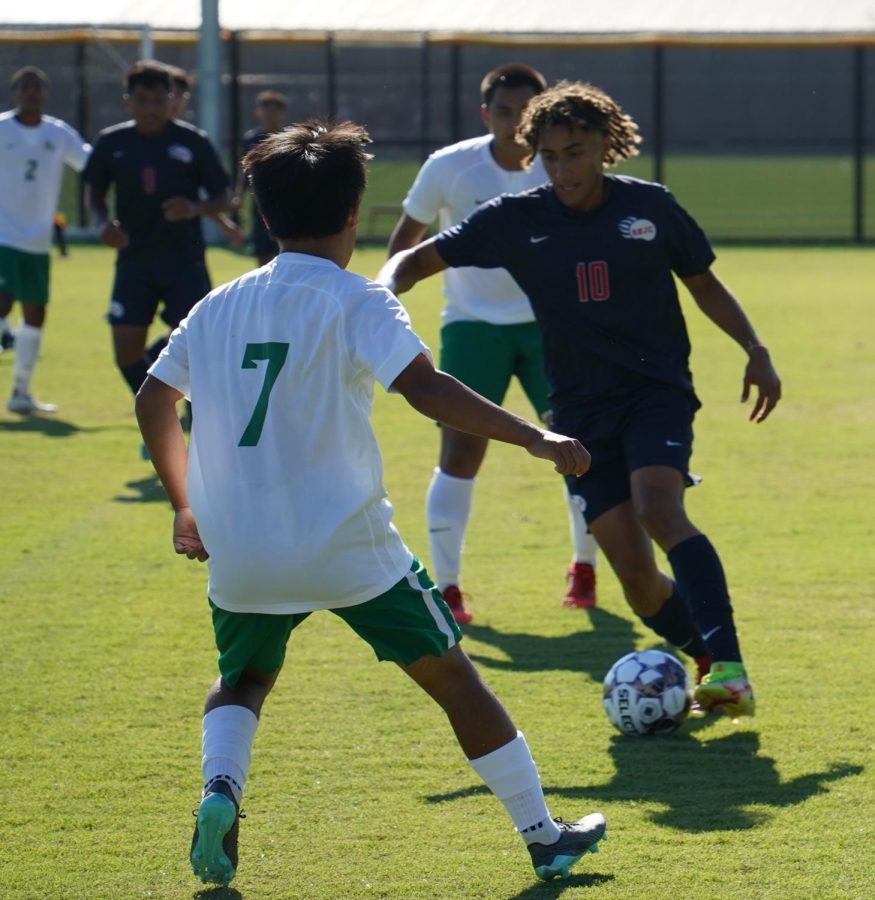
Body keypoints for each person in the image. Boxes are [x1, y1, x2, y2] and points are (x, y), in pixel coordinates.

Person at [135, 120, 606, 888]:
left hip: (242, 545)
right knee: (456, 679)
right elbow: (424, 389)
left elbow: (153, 401)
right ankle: (542, 835)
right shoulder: (357, 300)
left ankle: (221, 788)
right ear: (354, 213)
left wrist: (185, 506)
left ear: (264, 214)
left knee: (243, 680)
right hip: (347, 547)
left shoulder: (218, 304)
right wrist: (534, 437)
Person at [378, 81, 783, 717]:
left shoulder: (650, 208)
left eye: (576, 151)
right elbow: (414, 260)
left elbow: (703, 283)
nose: (563, 167)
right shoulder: (516, 219)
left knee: (659, 507)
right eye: (549, 154)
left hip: (655, 392)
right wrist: (382, 292)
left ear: (604, 146)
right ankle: (708, 663)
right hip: (580, 410)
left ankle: (729, 664)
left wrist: (754, 348)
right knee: (640, 583)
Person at [387, 63, 600, 623]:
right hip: (471, 325)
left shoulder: (564, 168)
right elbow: (405, 243)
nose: (514, 123)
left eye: (524, 112)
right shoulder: (450, 167)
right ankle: (450, 589)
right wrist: (385, 295)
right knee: (460, 453)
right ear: (486, 114)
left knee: (578, 445)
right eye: (503, 112)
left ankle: (585, 568)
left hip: (550, 327)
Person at [83, 60, 231, 419]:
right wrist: (104, 223)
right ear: (127, 102)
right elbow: (95, 192)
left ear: (171, 99)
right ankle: (159, 409)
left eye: (158, 99)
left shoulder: (193, 142)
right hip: (135, 260)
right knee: (127, 351)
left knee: (199, 344)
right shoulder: (111, 143)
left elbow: (225, 196)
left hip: (184, 261)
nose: (151, 108)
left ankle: (197, 419)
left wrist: (193, 208)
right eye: (142, 99)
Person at [0, 65, 91, 413]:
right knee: (4, 300)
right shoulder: (2, 128)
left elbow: (89, 162)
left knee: (35, 313)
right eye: (24, 87)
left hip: (38, 240)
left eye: (37, 87)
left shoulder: (59, 133)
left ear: (46, 93)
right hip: (2, 234)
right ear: (15, 92)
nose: (31, 93)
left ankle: (20, 392)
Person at [167, 65, 244, 248]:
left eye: (181, 95)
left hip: (184, 247)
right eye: (171, 93)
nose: (175, 101)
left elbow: (200, 198)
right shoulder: (127, 139)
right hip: (138, 248)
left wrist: (223, 224)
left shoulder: (193, 140)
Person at [236, 90, 288, 266]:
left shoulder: (290, 139)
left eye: (275, 111)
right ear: (259, 113)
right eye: (267, 111)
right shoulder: (252, 140)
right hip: (261, 203)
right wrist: (239, 196)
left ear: (282, 113)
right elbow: (244, 171)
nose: (270, 116)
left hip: (287, 203)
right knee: (264, 251)